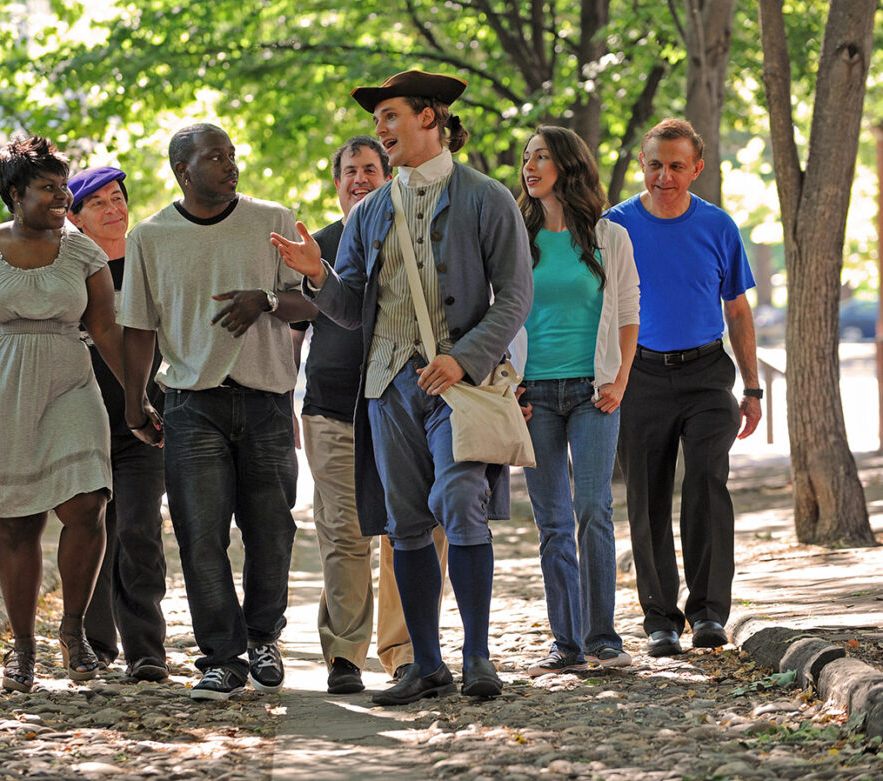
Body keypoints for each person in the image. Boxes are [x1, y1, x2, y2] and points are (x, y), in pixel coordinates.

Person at [272, 70, 532, 705]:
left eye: (391, 117)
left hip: (458, 389)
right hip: (387, 387)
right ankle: (426, 665)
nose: (381, 130)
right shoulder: (372, 212)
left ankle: (477, 658)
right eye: (379, 119)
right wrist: (318, 275)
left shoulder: (487, 197)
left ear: (430, 118)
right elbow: (351, 306)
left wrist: (463, 359)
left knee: (462, 500)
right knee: (407, 523)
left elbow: (515, 298)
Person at [0, 135, 134, 693]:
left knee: (88, 506)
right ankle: (21, 647)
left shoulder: (83, 251)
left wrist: (137, 399)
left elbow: (107, 331)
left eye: (64, 185)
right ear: (15, 193)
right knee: (18, 524)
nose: (62, 196)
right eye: (48, 187)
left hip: (69, 380)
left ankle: (72, 630)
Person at [120, 123, 316, 701]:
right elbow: (138, 328)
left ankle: (263, 639)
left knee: (271, 531)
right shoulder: (150, 237)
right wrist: (136, 402)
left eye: (232, 154)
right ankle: (221, 658)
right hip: (191, 404)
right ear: (184, 171)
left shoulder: (274, 220)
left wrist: (270, 301)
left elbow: (317, 302)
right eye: (215, 157)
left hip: (267, 401)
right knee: (200, 535)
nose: (231, 165)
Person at [291, 136, 448, 694]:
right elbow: (294, 332)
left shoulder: (410, 240)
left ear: (388, 177)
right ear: (336, 183)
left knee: (411, 528)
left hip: (404, 406)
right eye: (349, 171)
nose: (360, 178)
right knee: (342, 533)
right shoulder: (320, 245)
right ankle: (344, 655)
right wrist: (287, 399)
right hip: (331, 410)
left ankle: (405, 651)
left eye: (370, 169)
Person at [604, 118, 761, 657]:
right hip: (639, 375)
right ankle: (660, 621)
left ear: (696, 168)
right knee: (646, 497)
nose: (664, 176)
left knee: (706, 484)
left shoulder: (719, 226)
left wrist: (754, 387)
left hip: (706, 375)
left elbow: (737, 310)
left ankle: (710, 613)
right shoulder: (614, 227)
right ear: (643, 166)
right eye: (655, 165)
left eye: (676, 166)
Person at [513, 126, 640, 676]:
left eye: (541, 156)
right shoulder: (516, 234)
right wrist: (505, 381)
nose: (529, 166)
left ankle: (602, 638)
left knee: (594, 509)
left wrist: (621, 379)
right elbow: (498, 309)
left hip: (593, 393)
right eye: (525, 158)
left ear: (567, 164)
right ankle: (564, 643)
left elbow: (630, 312)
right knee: (552, 521)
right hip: (532, 393)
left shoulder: (610, 237)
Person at [66, 166, 169, 683]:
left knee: (137, 529)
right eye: (98, 203)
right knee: (91, 530)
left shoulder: (151, 264)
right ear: (75, 218)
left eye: (118, 198)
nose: (114, 208)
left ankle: (147, 650)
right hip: (83, 420)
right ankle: (97, 643)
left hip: (145, 422)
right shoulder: (70, 275)